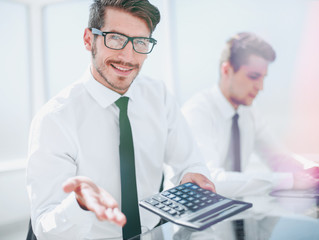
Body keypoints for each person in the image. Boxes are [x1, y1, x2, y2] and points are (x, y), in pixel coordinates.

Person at [26, 1, 215, 239]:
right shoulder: (55, 119)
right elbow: (44, 228)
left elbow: (190, 162)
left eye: (140, 42)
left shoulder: (159, 96)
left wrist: (191, 175)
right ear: (88, 39)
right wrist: (80, 204)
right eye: (115, 38)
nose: (128, 56)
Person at [182, 32, 319, 197]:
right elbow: (210, 181)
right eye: (253, 76)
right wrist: (288, 180)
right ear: (227, 70)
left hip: (232, 213)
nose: (260, 87)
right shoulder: (197, 113)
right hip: (192, 215)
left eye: (263, 78)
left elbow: (277, 158)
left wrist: (313, 170)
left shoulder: (249, 111)